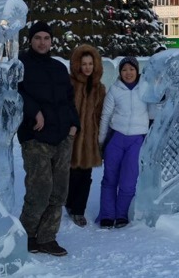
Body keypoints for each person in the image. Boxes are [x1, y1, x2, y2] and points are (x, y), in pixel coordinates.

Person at [17, 21, 80, 256]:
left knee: (59, 192)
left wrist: (74, 125)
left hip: (63, 136)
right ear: (30, 40)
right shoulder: (21, 65)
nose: (42, 42)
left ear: (51, 41)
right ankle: (27, 235)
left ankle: (47, 237)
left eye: (46, 38)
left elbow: (69, 99)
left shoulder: (58, 67)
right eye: (38, 38)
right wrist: (34, 111)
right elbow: (16, 92)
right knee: (39, 189)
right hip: (35, 137)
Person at [97, 57, 150, 229]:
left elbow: (156, 110)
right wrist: (101, 141)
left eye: (131, 69)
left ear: (137, 70)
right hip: (116, 139)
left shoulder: (146, 89)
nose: (128, 73)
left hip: (137, 140)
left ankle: (121, 215)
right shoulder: (114, 90)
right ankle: (106, 215)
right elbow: (105, 117)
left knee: (128, 181)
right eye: (124, 70)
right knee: (109, 179)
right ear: (120, 72)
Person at [64, 44, 106, 228]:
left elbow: (101, 113)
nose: (87, 67)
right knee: (71, 174)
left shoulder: (99, 88)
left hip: (89, 138)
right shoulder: (69, 84)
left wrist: (99, 136)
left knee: (86, 175)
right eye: (84, 64)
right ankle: (69, 203)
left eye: (90, 63)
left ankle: (79, 210)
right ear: (77, 65)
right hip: (71, 136)